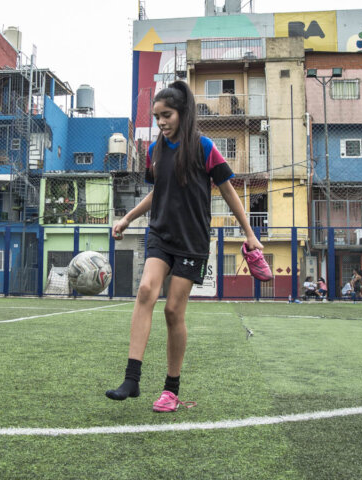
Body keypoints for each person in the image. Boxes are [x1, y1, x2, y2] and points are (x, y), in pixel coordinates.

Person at [108, 81, 268, 411]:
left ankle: (170, 390)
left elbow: (228, 192)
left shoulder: (205, 147)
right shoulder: (155, 152)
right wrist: (127, 219)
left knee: (172, 311)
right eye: (156, 117)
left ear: (182, 113)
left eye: (166, 115)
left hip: (192, 242)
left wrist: (250, 234)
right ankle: (132, 379)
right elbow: (157, 193)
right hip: (160, 234)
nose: (161, 122)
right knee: (145, 291)